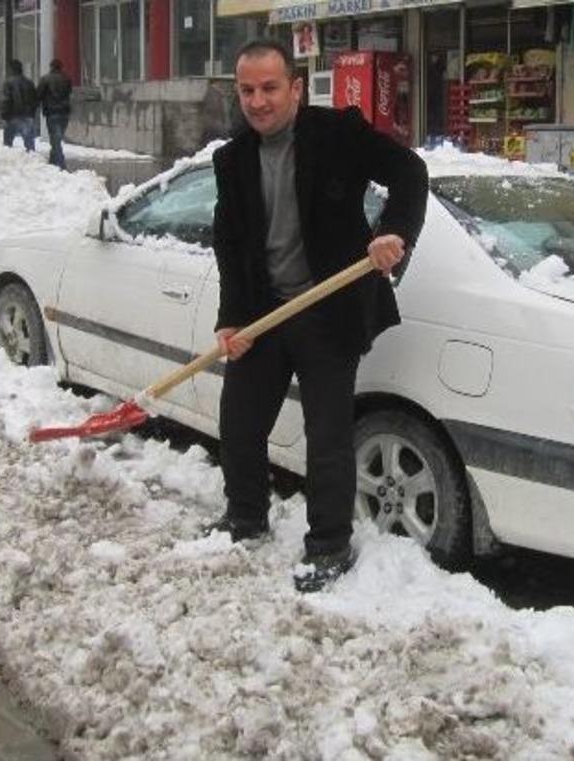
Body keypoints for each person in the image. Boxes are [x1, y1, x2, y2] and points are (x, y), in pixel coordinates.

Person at [206, 39, 428, 593]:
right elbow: (229, 243)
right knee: (239, 421)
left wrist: (393, 232)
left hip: (328, 310)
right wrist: (231, 317)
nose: (258, 102)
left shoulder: (337, 135)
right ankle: (245, 518)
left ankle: (329, 544)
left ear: (297, 88)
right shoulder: (231, 159)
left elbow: (410, 173)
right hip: (265, 313)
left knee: (326, 433)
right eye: (247, 90)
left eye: (270, 88)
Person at [37, 59, 73, 169]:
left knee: (55, 139)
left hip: (51, 112)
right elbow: (69, 93)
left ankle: (61, 163)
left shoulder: (45, 79)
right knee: (57, 137)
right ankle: (52, 161)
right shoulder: (67, 79)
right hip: (64, 112)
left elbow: (39, 95)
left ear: (51, 67)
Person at [2, 59, 37, 152]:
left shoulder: (8, 83)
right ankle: (33, 162)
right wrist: (32, 113)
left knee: (8, 143)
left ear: (11, 69)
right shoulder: (29, 82)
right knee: (29, 143)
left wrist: (5, 115)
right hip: (28, 115)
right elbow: (35, 100)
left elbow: (7, 100)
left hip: (13, 115)